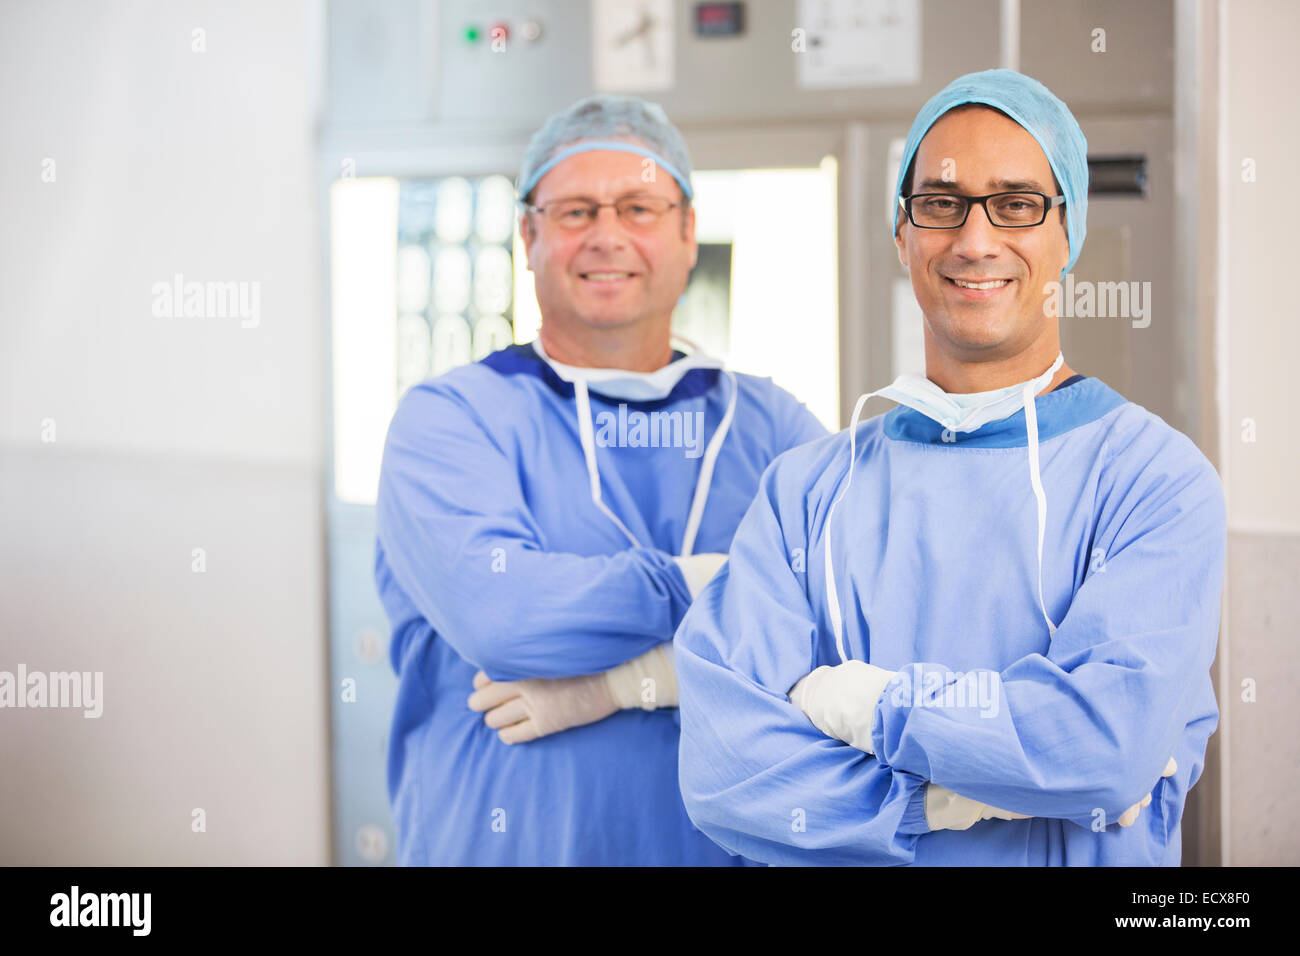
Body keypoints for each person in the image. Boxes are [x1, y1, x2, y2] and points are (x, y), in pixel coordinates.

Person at [675, 69, 1226, 866]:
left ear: (1066, 235)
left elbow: (1105, 747)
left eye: (1016, 203)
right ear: (903, 235)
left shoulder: (1155, 483)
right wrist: (950, 797)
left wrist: (875, 709)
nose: (975, 240)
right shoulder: (806, 492)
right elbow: (727, 772)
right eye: (941, 203)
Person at [374, 95, 828, 865]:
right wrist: (714, 585)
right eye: (577, 210)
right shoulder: (451, 421)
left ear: (688, 232)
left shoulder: (775, 427)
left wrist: (621, 684)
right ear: (529, 235)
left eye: (639, 207)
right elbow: (504, 619)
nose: (608, 235)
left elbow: (843, 629)